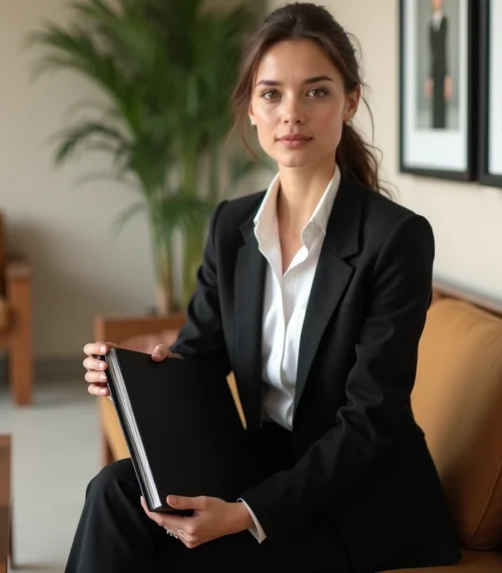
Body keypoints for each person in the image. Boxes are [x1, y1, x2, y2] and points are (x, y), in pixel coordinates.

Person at [67, 3, 462, 572]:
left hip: (358, 504)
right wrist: (136, 374)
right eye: (272, 94)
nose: (291, 114)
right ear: (251, 107)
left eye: (317, 92)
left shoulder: (395, 239)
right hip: (257, 465)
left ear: (350, 101)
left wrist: (247, 512)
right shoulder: (232, 226)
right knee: (112, 492)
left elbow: (369, 421)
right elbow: (201, 357)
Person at [424, 0, 452, 129]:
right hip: (434, 66)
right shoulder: (430, 23)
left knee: (442, 102)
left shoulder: (445, 21)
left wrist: (447, 75)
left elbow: (444, 48)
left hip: (442, 66)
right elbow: (432, 51)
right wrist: (429, 76)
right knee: (435, 102)